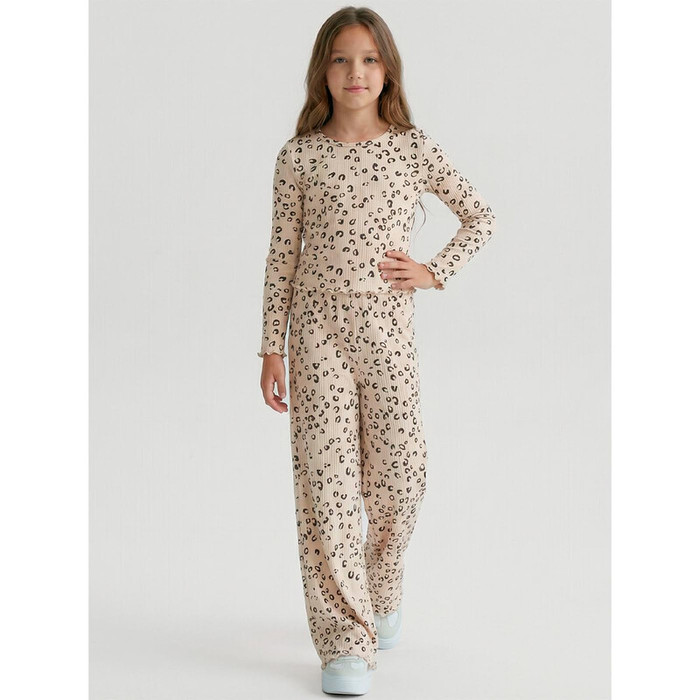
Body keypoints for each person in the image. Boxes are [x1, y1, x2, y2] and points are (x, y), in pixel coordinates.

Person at [258, 6, 497, 695]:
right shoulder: (299, 156)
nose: (354, 72)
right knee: (327, 488)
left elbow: (480, 215)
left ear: (386, 69)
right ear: (322, 72)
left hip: (388, 331)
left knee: (401, 479)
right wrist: (271, 347)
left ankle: (381, 579)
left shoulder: (412, 148)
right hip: (316, 334)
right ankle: (345, 640)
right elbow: (281, 256)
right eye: (340, 59)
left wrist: (434, 270)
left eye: (367, 59)